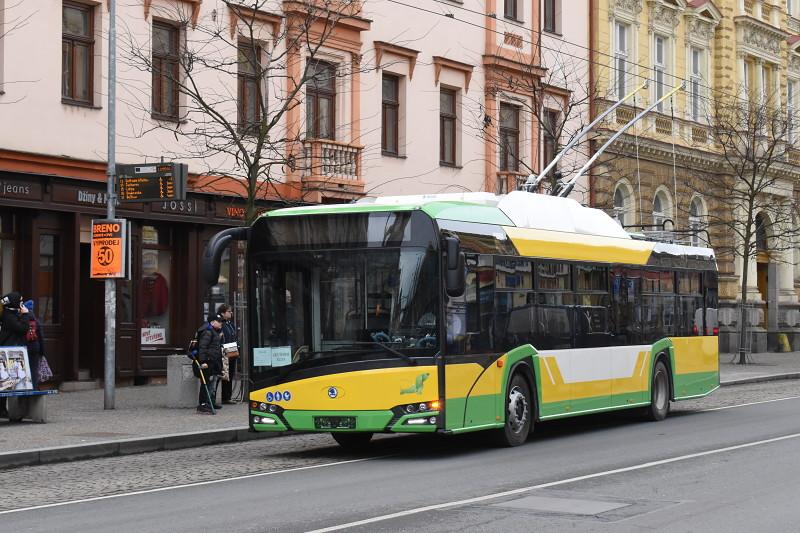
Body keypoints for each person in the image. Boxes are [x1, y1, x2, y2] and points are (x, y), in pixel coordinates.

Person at [0, 292, 29, 416]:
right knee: (6, 382)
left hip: (10, 351)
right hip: (8, 352)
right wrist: (25, 315)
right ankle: (3, 410)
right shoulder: (9, 316)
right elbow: (22, 329)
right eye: (20, 300)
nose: (22, 303)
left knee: (7, 382)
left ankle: (3, 409)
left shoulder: (10, 313)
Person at [197, 313, 224, 414]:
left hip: (212, 360)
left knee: (210, 383)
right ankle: (202, 404)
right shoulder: (208, 332)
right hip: (207, 361)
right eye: (219, 321)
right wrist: (203, 361)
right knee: (205, 383)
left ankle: (208, 402)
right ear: (212, 322)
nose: (221, 323)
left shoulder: (214, 331)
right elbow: (203, 347)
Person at [218, 303, 239, 404]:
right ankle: (223, 397)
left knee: (230, 374)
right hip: (224, 351)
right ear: (222, 313)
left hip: (232, 350)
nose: (231, 313)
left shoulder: (230, 324)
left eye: (231, 311)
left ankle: (227, 396)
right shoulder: (220, 323)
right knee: (224, 374)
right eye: (229, 311)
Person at [23, 299, 45, 389]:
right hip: (35, 348)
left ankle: (26, 388)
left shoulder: (23, 321)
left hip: (25, 348)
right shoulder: (37, 322)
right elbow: (41, 338)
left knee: (25, 370)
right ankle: (34, 388)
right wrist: (42, 352)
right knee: (34, 369)